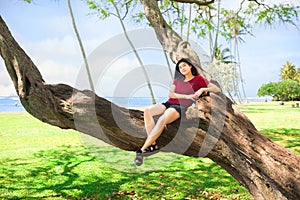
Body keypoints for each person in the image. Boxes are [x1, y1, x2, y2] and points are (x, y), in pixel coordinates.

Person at [134, 58, 220, 166]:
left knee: (162, 119)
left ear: (190, 66)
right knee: (147, 110)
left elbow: (216, 88)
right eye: (180, 67)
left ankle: (142, 150)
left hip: (180, 107)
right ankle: (153, 145)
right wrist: (187, 96)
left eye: (184, 65)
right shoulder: (177, 80)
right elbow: (171, 95)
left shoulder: (198, 79)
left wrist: (202, 89)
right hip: (168, 103)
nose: (182, 68)